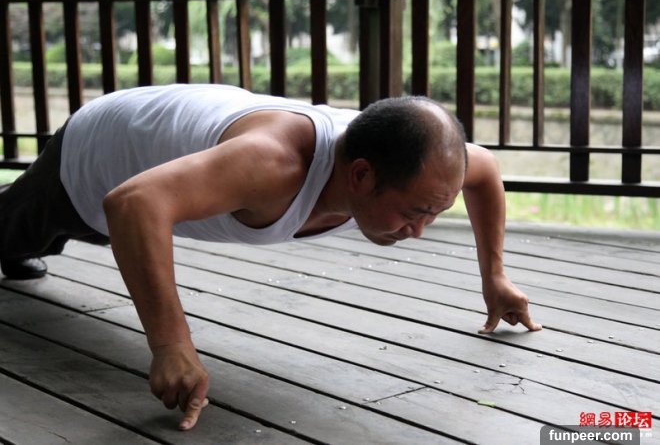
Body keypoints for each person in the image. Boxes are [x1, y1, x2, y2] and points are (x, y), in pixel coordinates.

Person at [0, 84, 541, 431]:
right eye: (415, 212)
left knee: (73, 236)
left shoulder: (422, 162)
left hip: (169, 157)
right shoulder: (274, 164)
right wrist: (171, 347)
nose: (419, 231)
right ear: (360, 175)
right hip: (101, 150)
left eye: (435, 213)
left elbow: (485, 170)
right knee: (19, 231)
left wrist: (494, 276)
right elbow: (134, 204)